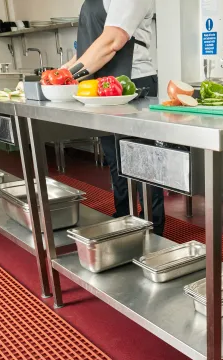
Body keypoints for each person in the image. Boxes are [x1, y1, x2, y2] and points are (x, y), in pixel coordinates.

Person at [62, 0, 164, 235]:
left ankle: (153, 226)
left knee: (142, 162)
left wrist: (66, 77)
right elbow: (87, 51)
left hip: (133, 82)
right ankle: (124, 217)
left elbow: (112, 41)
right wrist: (58, 74)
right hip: (103, 84)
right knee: (115, 160)